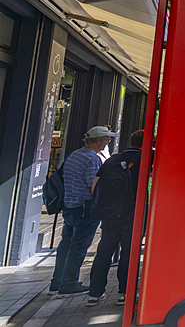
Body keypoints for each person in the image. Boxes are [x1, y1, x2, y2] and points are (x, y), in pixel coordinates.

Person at [50, 126, 118, 296]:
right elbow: (93, 186)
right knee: (79, 247)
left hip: (69, 206)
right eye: (106, 139)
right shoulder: (91, 159)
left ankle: (56, 282)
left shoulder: (74, 155)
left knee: (66, 244)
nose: (107, 142)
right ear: (98, 141)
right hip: (84, 208)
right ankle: (69, 283)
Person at [87, 130, 143, 306]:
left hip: (110, 214)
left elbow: (95, 185)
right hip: (132, 213)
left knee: (104, 251)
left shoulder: (113, 159)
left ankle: (94, 293)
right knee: (128, 252)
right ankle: (124, 293)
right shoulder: (144, 159)